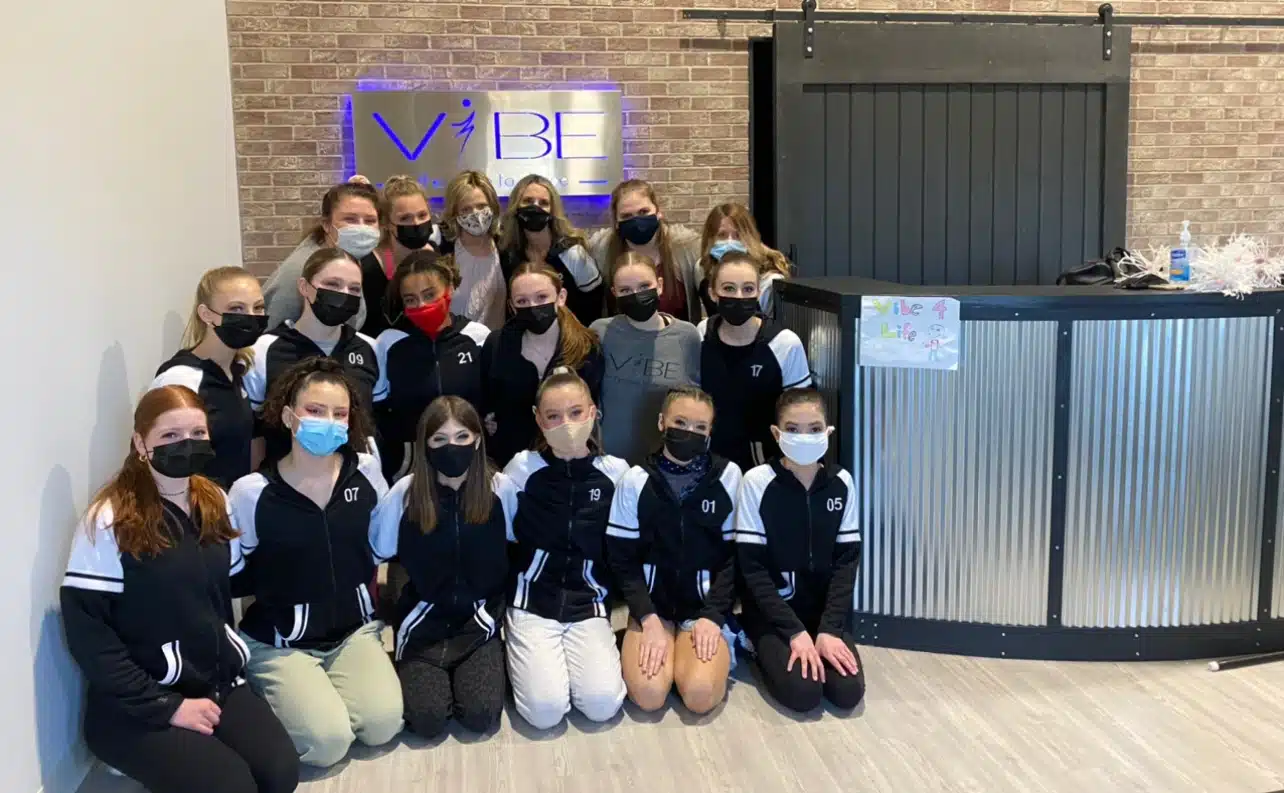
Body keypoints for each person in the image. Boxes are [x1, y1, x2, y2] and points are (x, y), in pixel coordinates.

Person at [61, 385, 299, 793]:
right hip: (134, 706)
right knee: (233, 787)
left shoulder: (214, 500)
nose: (186, 444)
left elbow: (225, 588)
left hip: (215, 683)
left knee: (279, 775)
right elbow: (90, 635)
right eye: (170, 435)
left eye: (197, 434)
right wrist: (167, 707)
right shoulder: (109, 520)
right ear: (140, 442)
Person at [229, 359, 403, 767]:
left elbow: (378, 548)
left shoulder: (367, 473)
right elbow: (236, 578)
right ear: (288, 416)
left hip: (353, 633)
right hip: (281, 643)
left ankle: (322, 692)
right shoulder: (251, 493)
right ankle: (284, 690)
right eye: (315, 410)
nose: (328, 421)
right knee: (328, 744)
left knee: (382, 725)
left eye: (339, 413)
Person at [371, 396, 517, 737]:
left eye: (462, 436)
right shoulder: (405, 494)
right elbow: (379, 550)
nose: (453, 447)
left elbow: (517, 542)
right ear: (425, 445)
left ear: (477, 439)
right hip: (423, 623)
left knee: (481, 716)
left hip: (479, 621)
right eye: (440, 439)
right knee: (428, 721)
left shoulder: (501, 489)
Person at [503, 369, 629, 729]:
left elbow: (625, 549)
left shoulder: (617, 473)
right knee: (544, 712)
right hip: (532, 603)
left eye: (575, 413)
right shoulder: (522, 469)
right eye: (554, 416)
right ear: (538, 420)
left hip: (588, 603)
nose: (567, 425)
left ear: (593, 412)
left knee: (602, 705)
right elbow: (506, 534)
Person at [605, 387, 740, 714]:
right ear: (661, 422)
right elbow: (622, 560)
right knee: (649, 695)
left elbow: (734, 558)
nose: (689, 432)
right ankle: (646, 639)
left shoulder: (729, 476)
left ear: (710, 432)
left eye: (700, 427)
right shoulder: (635, 480)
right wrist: (647, 618)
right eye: (680, 422)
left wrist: (713, 616)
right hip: (654, 609)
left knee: (700, 696)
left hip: (703, 609)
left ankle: (719, 642)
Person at [734, 388, 864, 713]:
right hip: (772, 616)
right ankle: (752, 641)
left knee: (847, 692)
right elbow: (752, 569)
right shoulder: (756, 482)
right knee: (803, 694)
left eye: (814, 428)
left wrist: (830, 629)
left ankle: (822, 638)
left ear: (828, 432)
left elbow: (847, 562)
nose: (804, 437)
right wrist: (794, 632)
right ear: (776, 433)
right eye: (793, 429)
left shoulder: (841, 482)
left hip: (822, 614)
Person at [245, 247, 387, 462]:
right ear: (304, 287)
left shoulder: (370, 349)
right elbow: (254, 430)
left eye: (354, 288)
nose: (344, 294)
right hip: (284, 475)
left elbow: (374, 422)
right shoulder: (264, 350)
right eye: (333, 284)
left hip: (353, 475)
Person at [374, 250, 490, 481]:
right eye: (411, 299)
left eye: (430, 295)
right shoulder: (388, 343)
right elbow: (378, 410)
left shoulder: (478, 337)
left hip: (471, 459)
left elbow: (492, 402)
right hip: (411, 467)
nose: (422, 305)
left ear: (450, 288)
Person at [151, 266, 266, 488]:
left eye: (258, 307)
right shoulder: (182, 379)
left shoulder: (240, 370)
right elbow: (161, 460)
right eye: (237, 308)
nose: (251, 317)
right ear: (206, 314)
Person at [481, 262, 604, 467]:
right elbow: (487, 400)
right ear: (512, 306)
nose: (533, 307)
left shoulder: (587, 347)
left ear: (561, 297)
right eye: (522, 301)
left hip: (572, 461)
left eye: (541, 297)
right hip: (512, 462)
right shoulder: (496, 345)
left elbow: (594, 403)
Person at [697, 251, 811, 471]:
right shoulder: (702, 334)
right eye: (729, 288)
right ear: (712, 293)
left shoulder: (784, 343)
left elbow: (801, 412)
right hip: (711, 467)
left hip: (766, 467)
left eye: (748, 289)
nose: (739, 296)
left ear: (759, 292)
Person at [590, 252, 701, 464]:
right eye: (625, 290)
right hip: (610, 462)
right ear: (614, 293)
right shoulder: (601, 332)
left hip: (665, 463)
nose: (636, 295)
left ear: (659, 285)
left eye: (644, 286)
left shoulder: (687, 335)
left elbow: (695, 399)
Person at [262, 179, 384, 332]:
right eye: (350, 219)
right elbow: (272, 329)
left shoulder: (348, 258)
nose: (361, 227)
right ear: (326, 224)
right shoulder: (302, 268)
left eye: (370, 220)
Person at [589, 179, 704, 324]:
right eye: (626, 216)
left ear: (658, 211)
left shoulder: (685, 246)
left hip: (677, 336)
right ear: (616, 222)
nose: (637, 220)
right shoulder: (601, 248)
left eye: (643, 212)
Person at [498, 174, 603, 325]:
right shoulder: (507, 255)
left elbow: (595, 308)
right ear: (516, 207)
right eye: (528, 201)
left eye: (544, 203)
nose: (535, 207)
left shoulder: (573, 254)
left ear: (552, 211)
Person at [372, 175, 445, 338]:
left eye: (422, 215)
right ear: (387, 223)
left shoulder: (435, 254)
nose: (416, 223)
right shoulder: (371, 266)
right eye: (405, 218)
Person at [696, 203, 793, 321]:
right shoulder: (702, 269)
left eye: (738, 235)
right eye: (722, 235)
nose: (730, 242)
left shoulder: (769, 281)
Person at [439, 170, 506, 331]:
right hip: (453, 341)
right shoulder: (442, 249)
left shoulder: (506, 248)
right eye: (466, 209)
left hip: (495, 343)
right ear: (454, 213)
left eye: (482, 206)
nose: (476, 214)